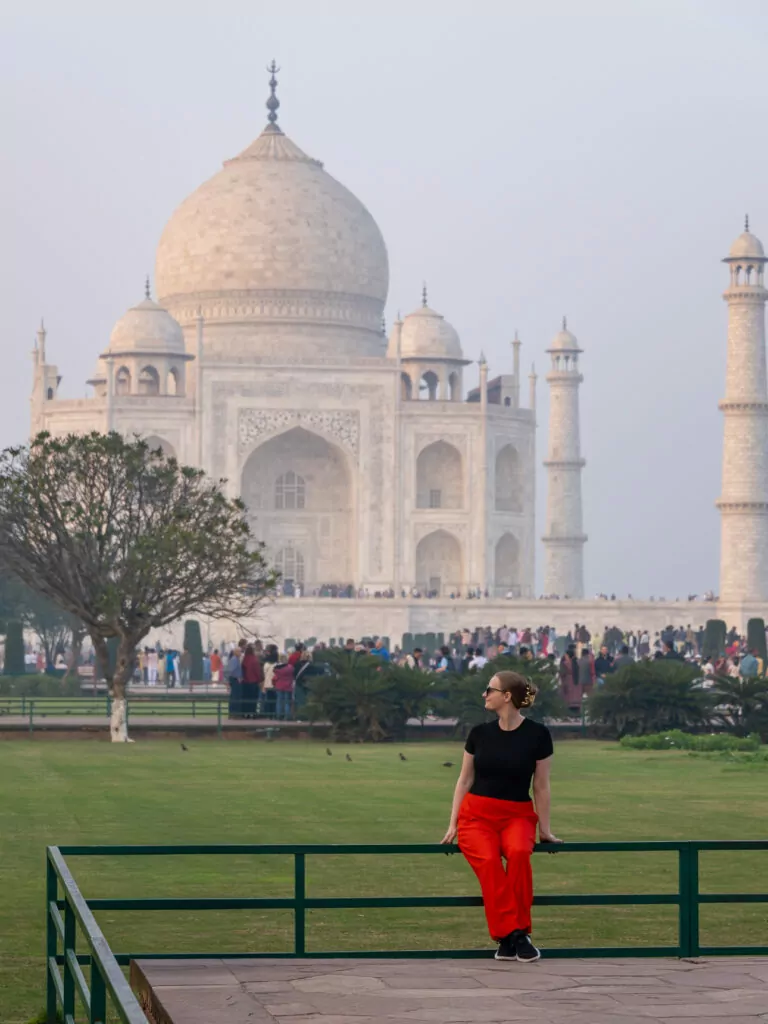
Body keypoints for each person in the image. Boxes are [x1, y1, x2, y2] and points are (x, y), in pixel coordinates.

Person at [440, 670, 561, 962]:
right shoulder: (479, 734)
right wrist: (453, 823)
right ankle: (518, 935)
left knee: (520, 853)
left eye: (489, 689)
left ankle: (508, 939)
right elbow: (464, 781)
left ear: (506, 696)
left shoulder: (538, 734)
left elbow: (541, 786)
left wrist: (544, 829)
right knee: (491, 864)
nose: (485, 694)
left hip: (517, 815)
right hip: (476, 817)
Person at [241, 644, 264, 718]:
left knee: (246, 698)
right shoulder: (254, 660)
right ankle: (252, 713)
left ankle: (245, 713)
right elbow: (257, 671)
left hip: (245, 682)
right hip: (253, 682)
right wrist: (260, 679)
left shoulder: (244, 659)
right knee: (253, 698)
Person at [226, 648, 242, 719]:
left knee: (235, 696)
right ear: (236, 652)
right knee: (235, 697)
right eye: (239, 652)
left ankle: (233, 713)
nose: (240, 653)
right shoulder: (234, 660)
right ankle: (234, 713)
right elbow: (231, 670)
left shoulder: (235, 659)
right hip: (235, 679)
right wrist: (237, 677)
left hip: (235, 679)